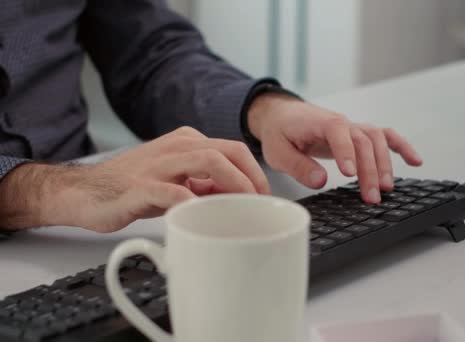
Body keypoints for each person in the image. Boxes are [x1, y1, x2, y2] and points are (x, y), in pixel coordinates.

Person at [0, 0, 422, 233]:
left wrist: (261, 108)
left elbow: (149, 54)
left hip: (84, 235)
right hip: (78, 206)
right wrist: (51, 191)